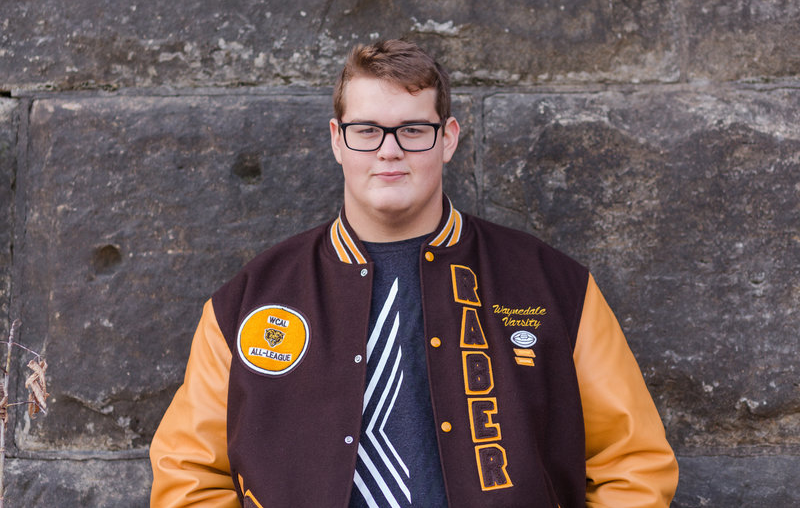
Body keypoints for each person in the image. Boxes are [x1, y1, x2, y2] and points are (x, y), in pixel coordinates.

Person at [150, 39, 679, 507]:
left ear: (447, 138)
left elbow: (633, 463)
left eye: (412, 129)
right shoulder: (249, 299)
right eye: (366, 130)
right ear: (337, 140)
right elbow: (189, 475)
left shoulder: (552, 285)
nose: (389, 150)